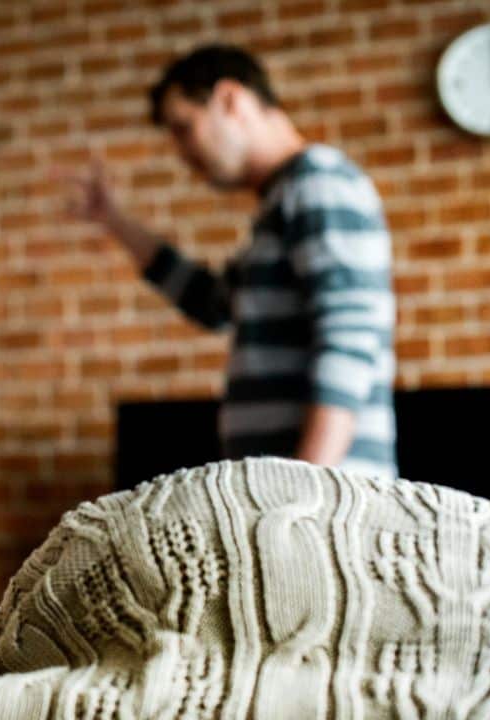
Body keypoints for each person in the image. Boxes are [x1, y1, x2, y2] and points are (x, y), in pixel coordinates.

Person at [66, 45, 397, 479]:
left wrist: (305, 489)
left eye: (185, 128)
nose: (183, 152)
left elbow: (350, 336)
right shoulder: (280, 203)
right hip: (297, 500)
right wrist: (115, 220)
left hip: (322, 505)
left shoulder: (318, 182)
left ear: (230, 100)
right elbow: (214, 304)